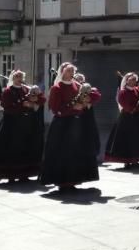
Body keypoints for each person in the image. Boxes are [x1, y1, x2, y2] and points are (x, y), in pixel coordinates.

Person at [39, 63, 100, 192]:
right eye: (68, 71)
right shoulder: (57, 87)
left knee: (76, 152)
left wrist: (86, 102)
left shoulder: (78, 86)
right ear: (62, 72)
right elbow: (55, 108)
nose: (71, 73)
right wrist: (72, 108)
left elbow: (93, 97)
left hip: (76, 124)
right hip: (62, 125)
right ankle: (62, 182)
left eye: (73, 70)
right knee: (63, 153)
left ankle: (74, 180)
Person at [0, 70, 45, 183]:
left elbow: (42, 99)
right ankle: (11, 175)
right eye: (17, 76)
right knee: (12, 149)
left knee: (25, 148)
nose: (19, 79)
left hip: (26, 124)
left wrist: (35, 101)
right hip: (12, 124)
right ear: (13, 78)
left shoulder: (27, 89)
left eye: (21, 76)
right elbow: (6, 106)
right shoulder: (8, 91)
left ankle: (24, 174)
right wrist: (21, 105)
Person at [104, 72, 139, 169]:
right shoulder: (123, 92)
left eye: (135, 80)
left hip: (138, 120)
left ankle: (135, 160)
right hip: (127, 120)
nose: (133, 81)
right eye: (131, 80)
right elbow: (127, 107)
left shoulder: (138, 90)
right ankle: (126, 161)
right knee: (126, 140)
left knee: (138, 140)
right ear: (126, 81)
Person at [73, 71, 102, 160]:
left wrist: (88, 99)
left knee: (90, 134)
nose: (80, 82)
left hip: (88, 116)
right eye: (78, 80)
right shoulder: (73, 89)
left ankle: (91, 154)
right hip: (76, 116)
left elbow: (97, 95)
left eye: (81, 80)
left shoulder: (89, 89)